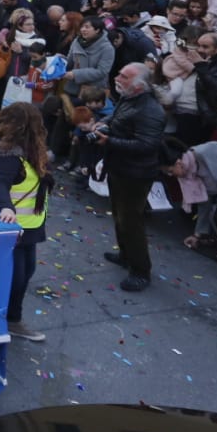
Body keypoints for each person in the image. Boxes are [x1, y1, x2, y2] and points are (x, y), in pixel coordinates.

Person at [0, 102, 52, 342]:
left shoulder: (16, 151)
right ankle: (10, 320)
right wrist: (5, 207)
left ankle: (5, 316)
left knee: (25, 271)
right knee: (17, 276)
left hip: (25, 226)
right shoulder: (7, 158)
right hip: (13, 226)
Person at [95, 63, 167, 292]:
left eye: (124, 77)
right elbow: (117, 116)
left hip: (135, 173)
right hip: (119, 167)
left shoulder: (151, 110)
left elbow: (147, 145)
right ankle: (126, 255)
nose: (117, 78)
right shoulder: (129, 98)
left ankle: (140, 270)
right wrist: (104, 125)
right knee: (119, 215)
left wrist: (110, 141)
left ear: (138, 86)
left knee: (131, 221)